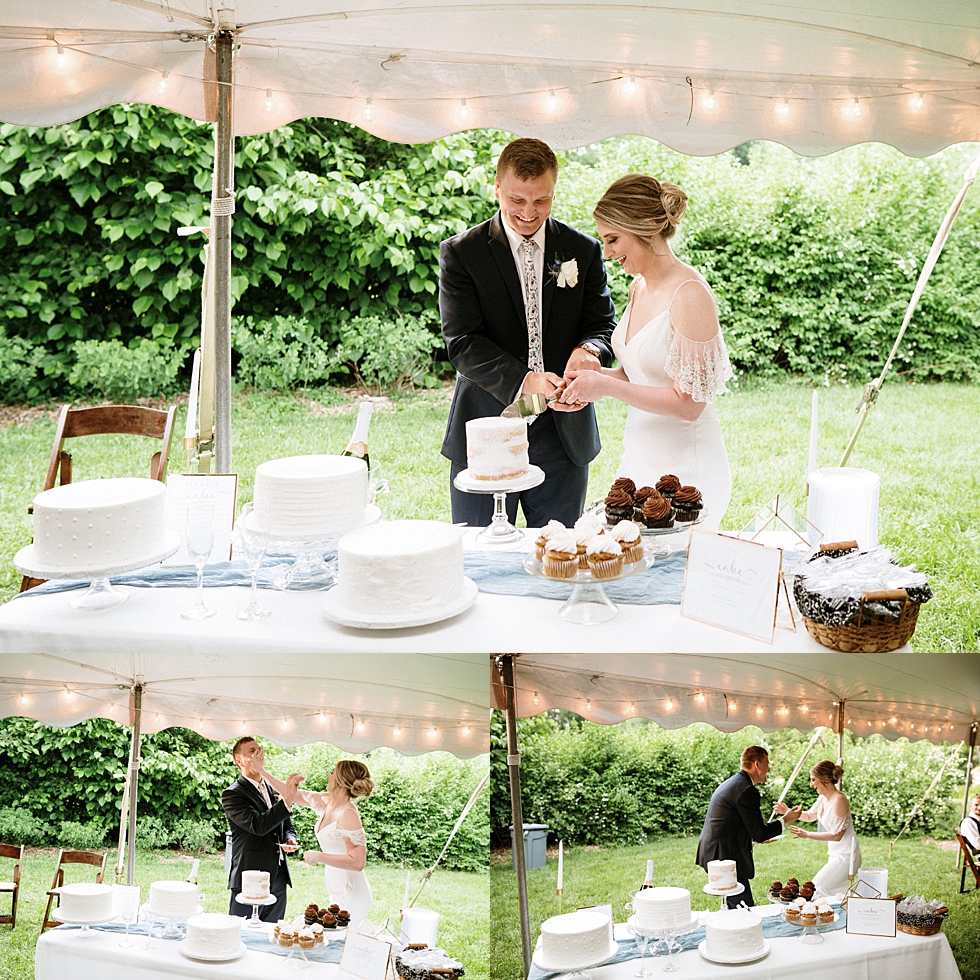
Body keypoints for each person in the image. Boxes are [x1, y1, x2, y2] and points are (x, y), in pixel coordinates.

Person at [440, 137, 617, 528]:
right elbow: (462, 342)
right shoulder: (461, 254)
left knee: (558, 558)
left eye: (542, 201)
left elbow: (603, 323)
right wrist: (524, 381)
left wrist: (590, 349)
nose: (528, 212)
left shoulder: (582, 250)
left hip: (562, 431)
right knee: (481, 554)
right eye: (517, 200)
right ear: (497, 188)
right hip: (488, 426)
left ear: (554, 191)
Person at [559, 173, 733, 529]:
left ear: (648, 227)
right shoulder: (639, 286)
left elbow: (689, 404)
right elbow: (638, 373)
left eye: (613, 239)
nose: (606, 253)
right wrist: (588, 378)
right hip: (639, 459)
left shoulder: (689, 294)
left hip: (685, 472)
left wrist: (605, 388)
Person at [260, 758, 375, 932]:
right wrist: (262, 771)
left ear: (342, 781)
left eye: (332, 772)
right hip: (336, 887)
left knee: (344, 944)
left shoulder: (349, 813)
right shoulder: (327, 801)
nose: (328, 776)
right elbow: (289, 792)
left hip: (352, 891)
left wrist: (319, 856)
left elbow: (358, 862)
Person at [696, 746, 801, 906]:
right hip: (723, 855)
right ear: (757, 764)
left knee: (736, 905)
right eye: (767, 763)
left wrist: (753, 835)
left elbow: (737, 823)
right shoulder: (746, 790)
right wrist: (786, 819)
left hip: (716, 849)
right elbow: (759, 833)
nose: (769, 768)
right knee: (743, 908)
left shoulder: (737, 783)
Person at [222, 736, 300, 921]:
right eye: (251, 751)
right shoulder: (233, 794)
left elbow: (286, 825)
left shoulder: (271, 789)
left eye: (259, 750)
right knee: (243, 933)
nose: (258, 754)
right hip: (251, 876)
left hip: (278, 876)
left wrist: (290, 839)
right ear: (239, 761)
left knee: (272, 934)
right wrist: (288, 799)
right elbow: (258, 825)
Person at [779, 760, 861, 897]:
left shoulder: (839, 800)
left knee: (818, 887)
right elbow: (810, 816)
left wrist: (807, 834)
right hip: (835, 853)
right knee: (832, 891)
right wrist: (786, 811)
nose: (811, 784)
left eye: (813, 780)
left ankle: (823, 914)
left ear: (825, 779)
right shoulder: (823, 798)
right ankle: (834, 915)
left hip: (847, 854)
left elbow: (837, 836)